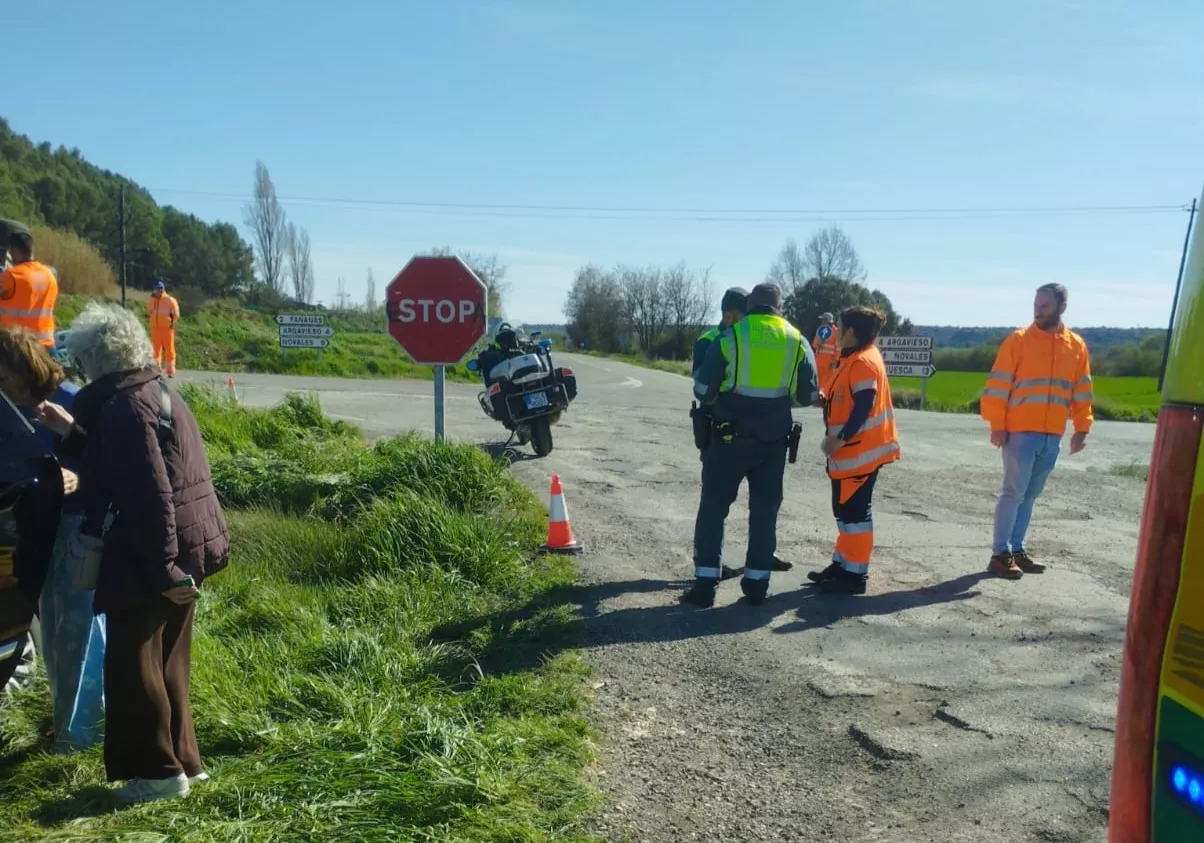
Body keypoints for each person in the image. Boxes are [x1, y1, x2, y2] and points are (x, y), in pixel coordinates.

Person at [37, 301, 231, 805]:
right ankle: (186, 762)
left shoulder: (122, 408)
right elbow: (138, 465)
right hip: (191, 541)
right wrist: (74, 435)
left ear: (94, 360)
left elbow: (147, 494)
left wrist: (162, 568)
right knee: (170, 658)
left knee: (133, 663)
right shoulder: (157, 390)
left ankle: (158, 775)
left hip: (151, 549)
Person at [0, 326, 106, 750]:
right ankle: (65, 722)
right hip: (25, 531)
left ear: (27, 369)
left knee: (80, 630)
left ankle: (83, 737)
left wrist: (74, 478)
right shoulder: (4, 405)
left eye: (6, 378)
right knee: (52, 631)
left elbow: (108, 466)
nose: (2, 386)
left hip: (76, 529)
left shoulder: (73, 401)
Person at [683, 282, 819, 608]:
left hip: (727, 438)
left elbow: (702, 389)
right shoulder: (796, 340)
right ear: (779, 307)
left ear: (749, 307)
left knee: (714, 507)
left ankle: (705, 587)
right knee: (764, 511)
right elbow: (808, 395)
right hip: (773, 441)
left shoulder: (730, 337)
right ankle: (757, 587)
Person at [980, 283, 1093, 579]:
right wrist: (997, 425)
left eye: (1044, 306)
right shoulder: (1018, 341)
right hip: (1019, 432)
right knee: (1013, 492)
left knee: (1029, 495)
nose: (1037, 311)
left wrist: (1082, 427)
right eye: (1036, 305)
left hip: (1051, 434)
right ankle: (1000, 553)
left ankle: (1016, 549)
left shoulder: (1076, 346)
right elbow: (998, 385)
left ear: (1061, 307)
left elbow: (1082, 389)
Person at [692, 287, 793, 576]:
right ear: (728, 314)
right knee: (714, 501)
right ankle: (708, 560)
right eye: (741, 316)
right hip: (717, 430)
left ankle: (764, 553)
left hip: (752, 429)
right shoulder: (710, 341)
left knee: (764, 502)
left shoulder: (747, 337)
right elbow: (703, 390)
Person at [807, 306, 901, 595]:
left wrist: (841, 438)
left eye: (838, 325)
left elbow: (864, 404)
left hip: (859, 453)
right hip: (852, 454)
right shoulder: (853, 359)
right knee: (845, 512)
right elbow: (849, 396)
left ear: (849, 331)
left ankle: (854, 576)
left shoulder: (862, 362)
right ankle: (842, 564)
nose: (834, 330)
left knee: (856, 516)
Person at [0, 220, 59, 347]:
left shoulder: (11, 276)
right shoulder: (50, 275)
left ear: (13, 251)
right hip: (46, 347)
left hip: (16, 348)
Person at [146, 279, 181, 377]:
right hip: (155, 329)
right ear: (154, 289)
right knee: (155, 350)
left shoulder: (170, 300)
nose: (159, 290)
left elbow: (176, 314)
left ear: (164, 288)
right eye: (157, 288)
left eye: (161, 288)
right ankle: (156, 370)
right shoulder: (152, 300)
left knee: (169, 349)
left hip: (167, 329)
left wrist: (172, 323)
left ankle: (170, 371)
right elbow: (149, 311)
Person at [812, 312, 839, 393]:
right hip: (819, 360)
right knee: (817, 380)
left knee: (828, 381)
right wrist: (818, 343)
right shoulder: (820, 330)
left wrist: (835, 360)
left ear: (828, 321)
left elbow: (838, 348)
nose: (822, 321)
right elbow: (814, 345)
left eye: (823, 320)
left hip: (830, 362)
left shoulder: (836, 332)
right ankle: (817, 397)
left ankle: (825, 397)